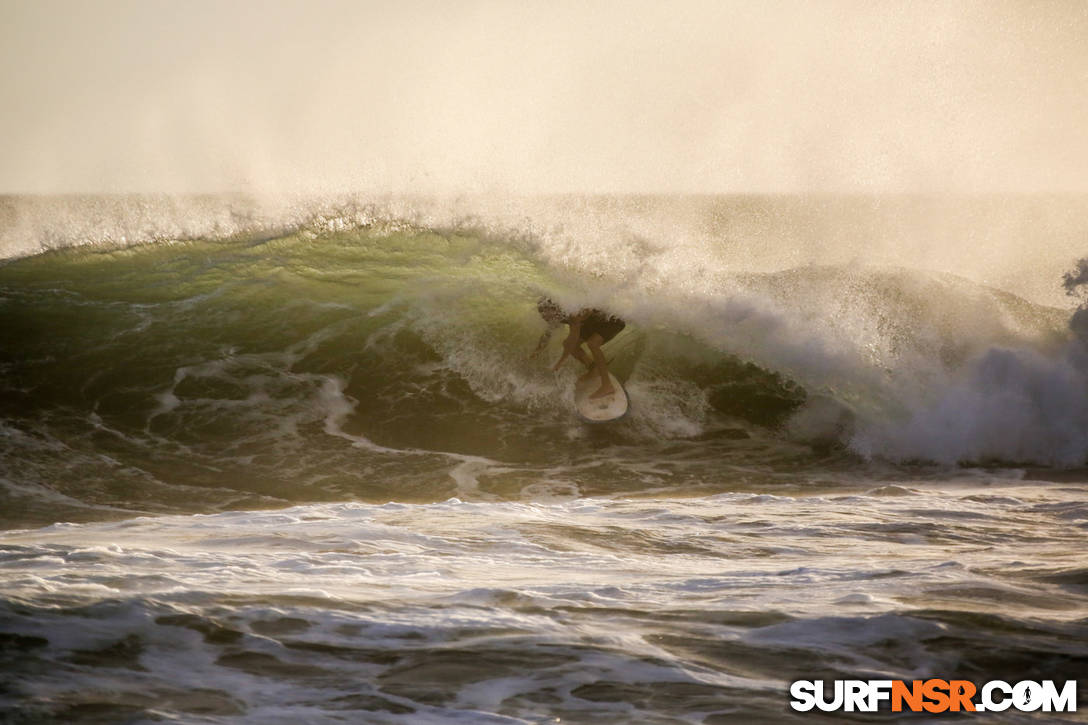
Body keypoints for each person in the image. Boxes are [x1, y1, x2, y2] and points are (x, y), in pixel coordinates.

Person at [533, 297, 625, 399]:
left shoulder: (573, 315)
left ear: (553, 309)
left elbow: (571, 341)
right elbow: (548, 334)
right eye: (540, 312)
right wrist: (537, 351)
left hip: (612, 320)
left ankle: (607, 386)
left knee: (592, 344)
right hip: (594, 323)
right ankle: (593, 368)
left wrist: (560, 362)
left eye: (544, 312)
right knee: (571, 345)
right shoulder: (559, 315)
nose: (542, 316)